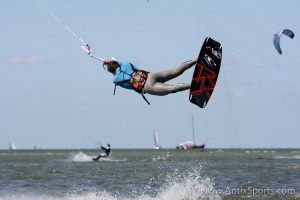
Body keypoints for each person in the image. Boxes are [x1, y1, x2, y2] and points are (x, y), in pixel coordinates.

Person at [103, 59, 196, 97]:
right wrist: (110, 61)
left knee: (172, 88)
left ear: (111, 71)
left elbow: (117, 76)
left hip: (147, 86)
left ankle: (195, 85)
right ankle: (197, 60)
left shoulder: (115, 80)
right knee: (177, 71)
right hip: (151, 75)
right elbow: (120, 64)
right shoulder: (126, 63)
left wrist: (109, 65)